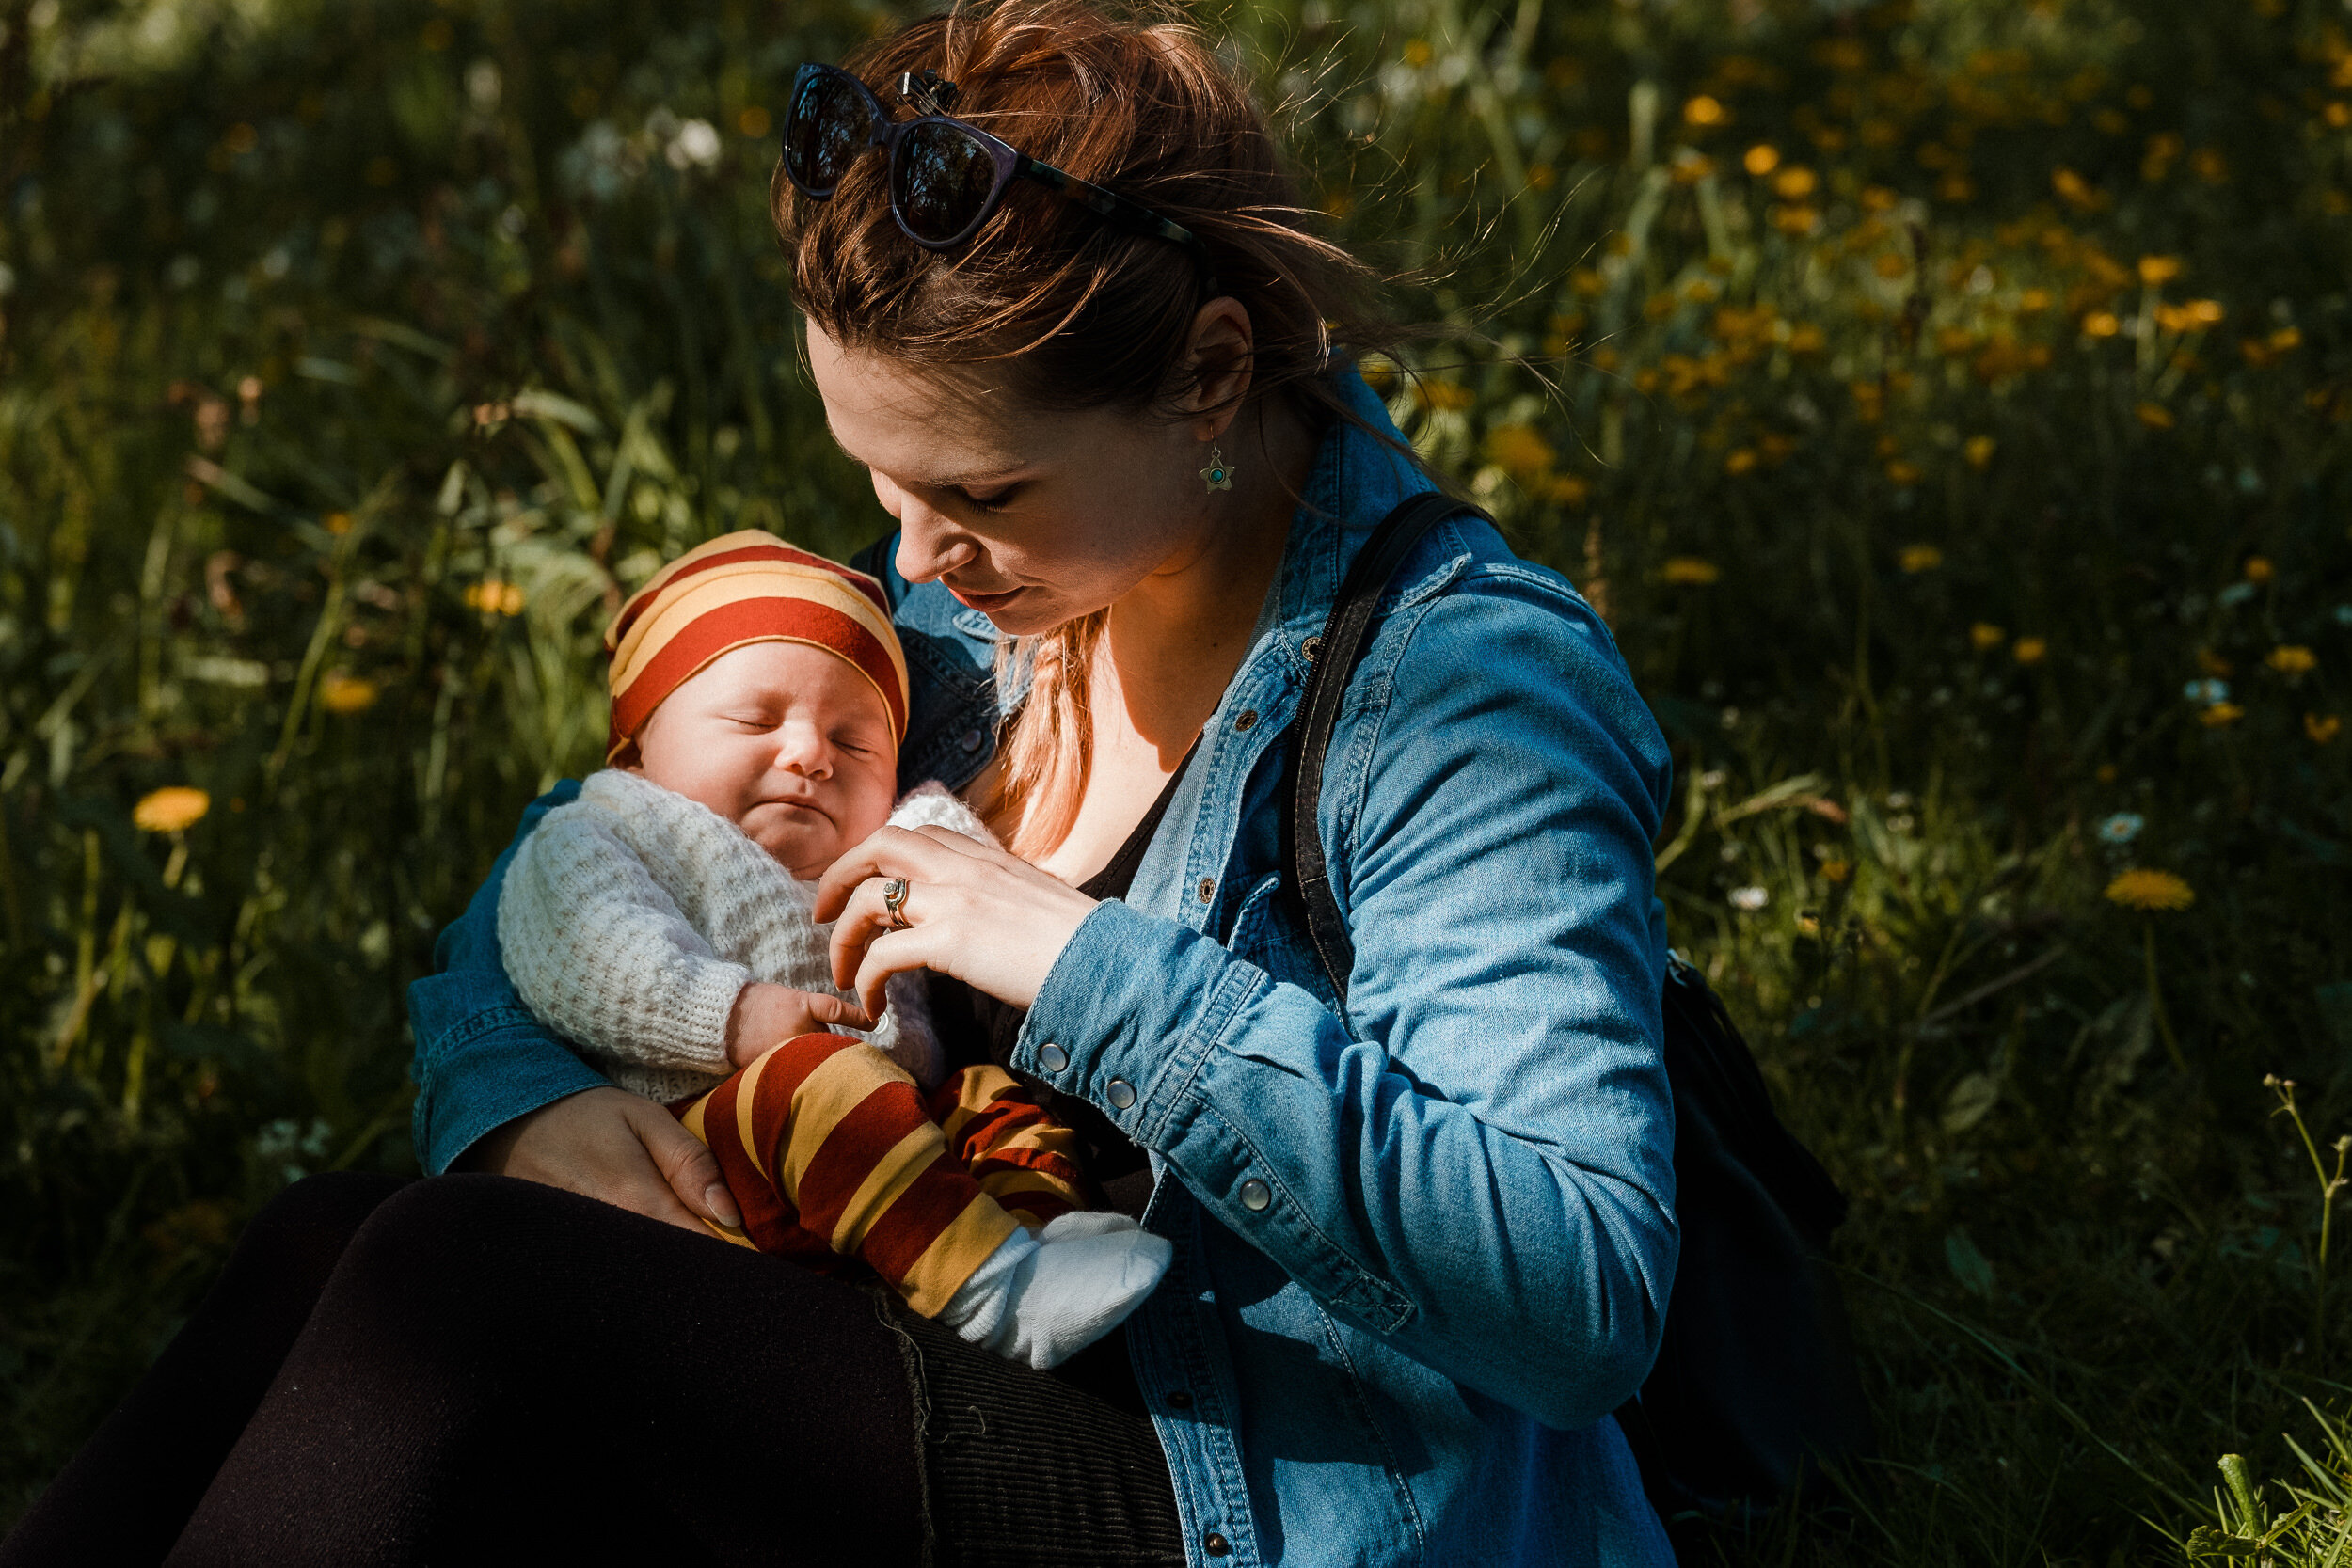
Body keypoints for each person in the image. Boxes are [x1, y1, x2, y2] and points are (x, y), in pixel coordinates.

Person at [0, 2, 1679, 1562]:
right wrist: (522, 1109)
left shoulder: (1458, 689)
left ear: (1213, 375)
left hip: (1256, 1463)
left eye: (986, 492)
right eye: (877, 476)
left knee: (457, 1287)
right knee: (330, 1238)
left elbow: (1581, 1289)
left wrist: (1079, 962)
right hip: (929, 1285)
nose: (914, 556)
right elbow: (576, 864)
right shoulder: (973, 624)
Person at [500, 528, 1170, 1365]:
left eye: (857, 742)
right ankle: (993, 1289)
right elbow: (580, 949)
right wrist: (733, 1015)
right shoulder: (610, 826)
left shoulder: (884, 840)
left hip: (894, 1133)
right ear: (638, 750)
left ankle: (1040, 1239)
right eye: (756, 719)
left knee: (994, 1096)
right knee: (814, 1077)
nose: (811, 754)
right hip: (717, 1131)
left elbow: (958, 855)